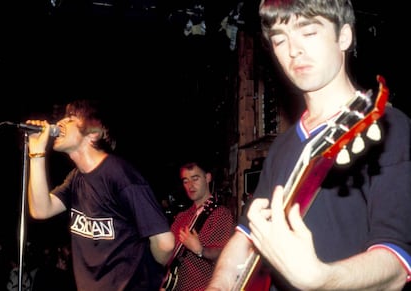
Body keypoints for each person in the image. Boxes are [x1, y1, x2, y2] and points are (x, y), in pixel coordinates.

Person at [206, 0, 411, 290]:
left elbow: (397, 264)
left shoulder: (390, 127)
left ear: (344, 36)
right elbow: (247, 234)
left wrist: (322, 279)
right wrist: (219, 283)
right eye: (279, 39)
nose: (293, 51)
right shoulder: (282, 147)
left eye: (309, 32)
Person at [25, 99, 175, 291]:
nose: (60, 122)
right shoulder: (76, 179)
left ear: (93, 134)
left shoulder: (120, 174)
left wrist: (149, 278)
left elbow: (165, 243)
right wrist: (36, 153)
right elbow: (40, 210)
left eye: (70, 118)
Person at [160, 161, 235, 291]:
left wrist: (200, 250)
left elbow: (224, 254)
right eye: (185, 181)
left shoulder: (221, 214)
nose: (190, 185)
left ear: (208, 178)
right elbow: (169, 251)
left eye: (195, 178)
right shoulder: (182, 217)